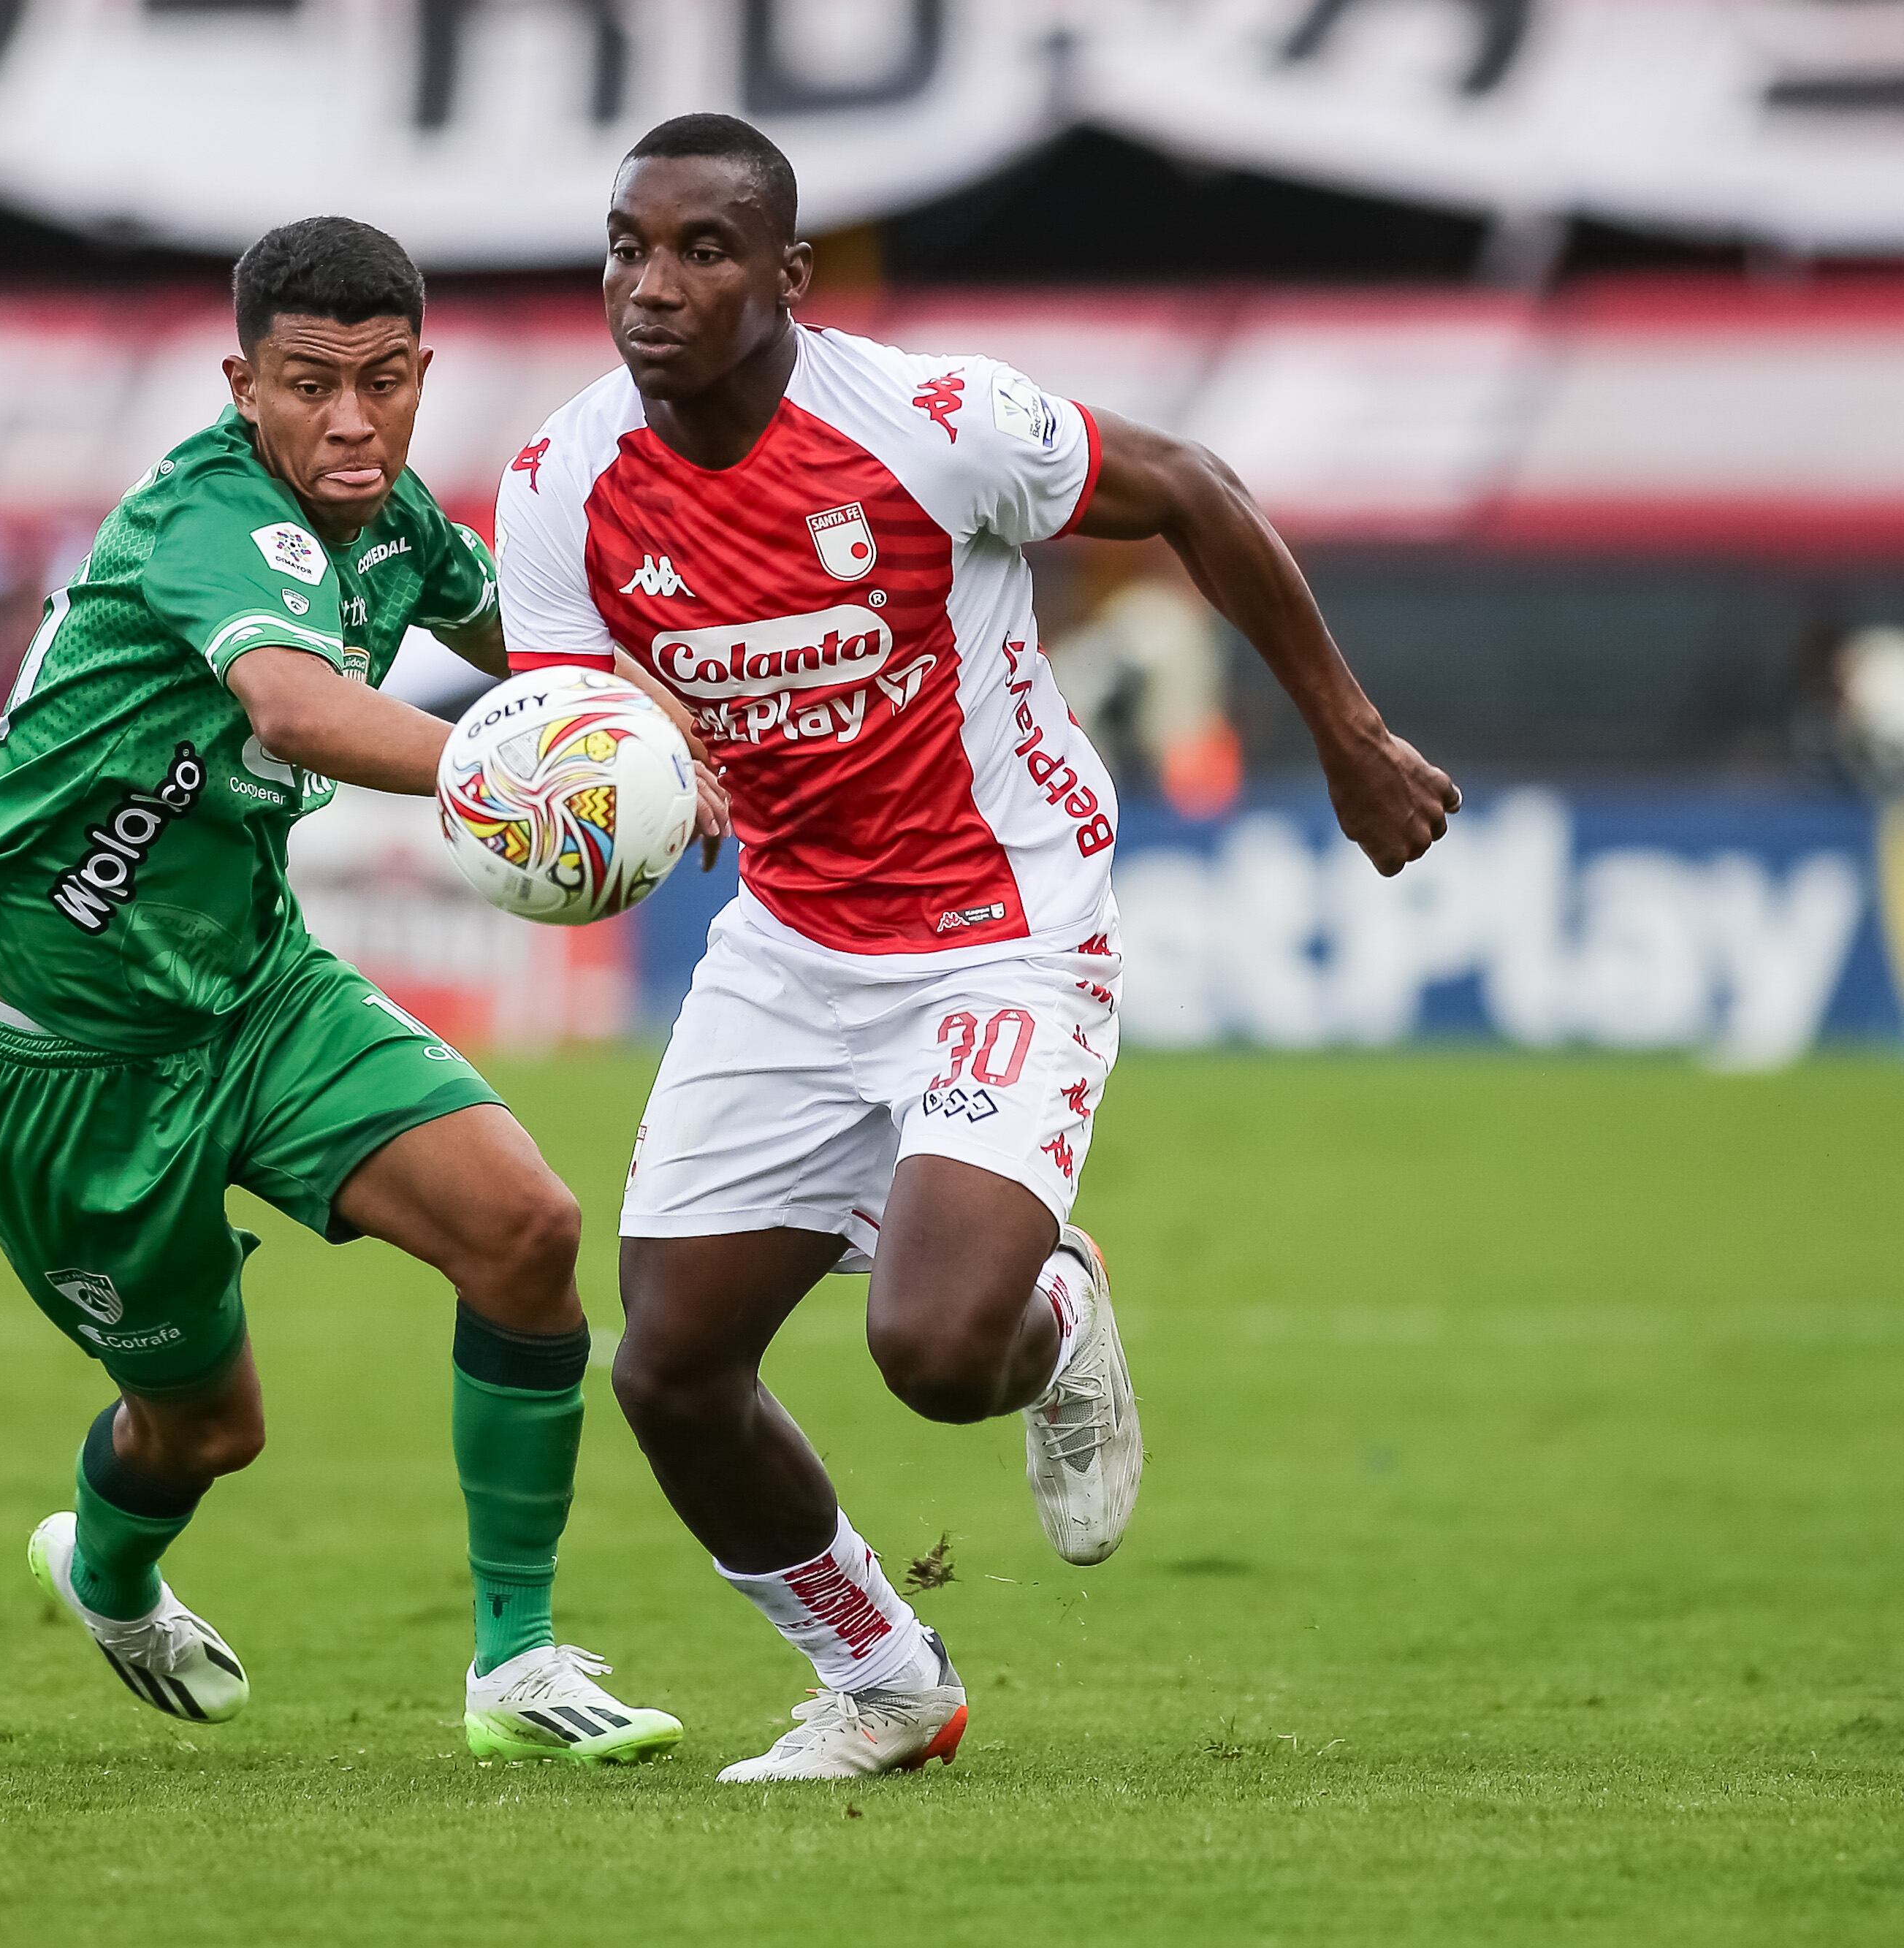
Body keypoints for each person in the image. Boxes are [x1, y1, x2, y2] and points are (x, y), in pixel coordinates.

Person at [492, 115, 1461, 1782]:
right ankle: (880, 1677)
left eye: (701, 251)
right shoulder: (559, 480)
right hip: (788, 940)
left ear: (787, 275)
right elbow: (578, 719)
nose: (651, 287)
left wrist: (1348, 736)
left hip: (998, 927)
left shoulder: (934, 422)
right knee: (665, 1367)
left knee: (938, 1356)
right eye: (627, 248)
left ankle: (1055, 1301)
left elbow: (1195, 493)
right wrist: (620, 784)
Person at [0, 216, 721, 1765]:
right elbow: (294, 701)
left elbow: (528, 639)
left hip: (253, 991)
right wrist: (515, 771)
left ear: (420, 375)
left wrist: (637, 711)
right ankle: (107, 1568)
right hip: (59, 1054)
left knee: (527, 1229)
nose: (350, 422)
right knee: (209, 1429)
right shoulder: (209, 515)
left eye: (383, 382)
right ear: (241, 384)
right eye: (308, 387)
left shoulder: (396, 520)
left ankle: (515, 1664)